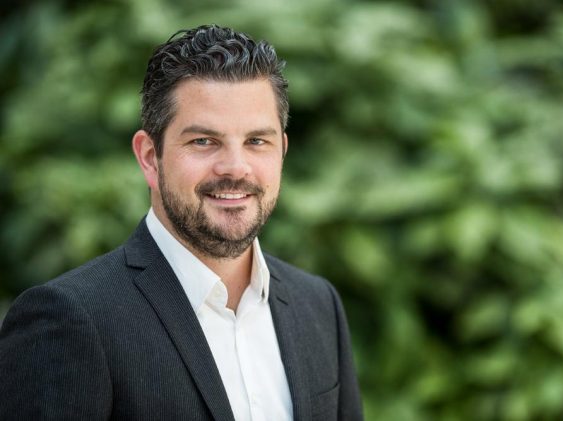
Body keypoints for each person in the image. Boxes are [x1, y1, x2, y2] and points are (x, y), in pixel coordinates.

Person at [0, 24, 363, 421]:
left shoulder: (318, 305)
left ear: (282, 152)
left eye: (257, 141)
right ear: (149, 157)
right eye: (203, 141)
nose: (235, 168)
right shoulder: (67, 319)